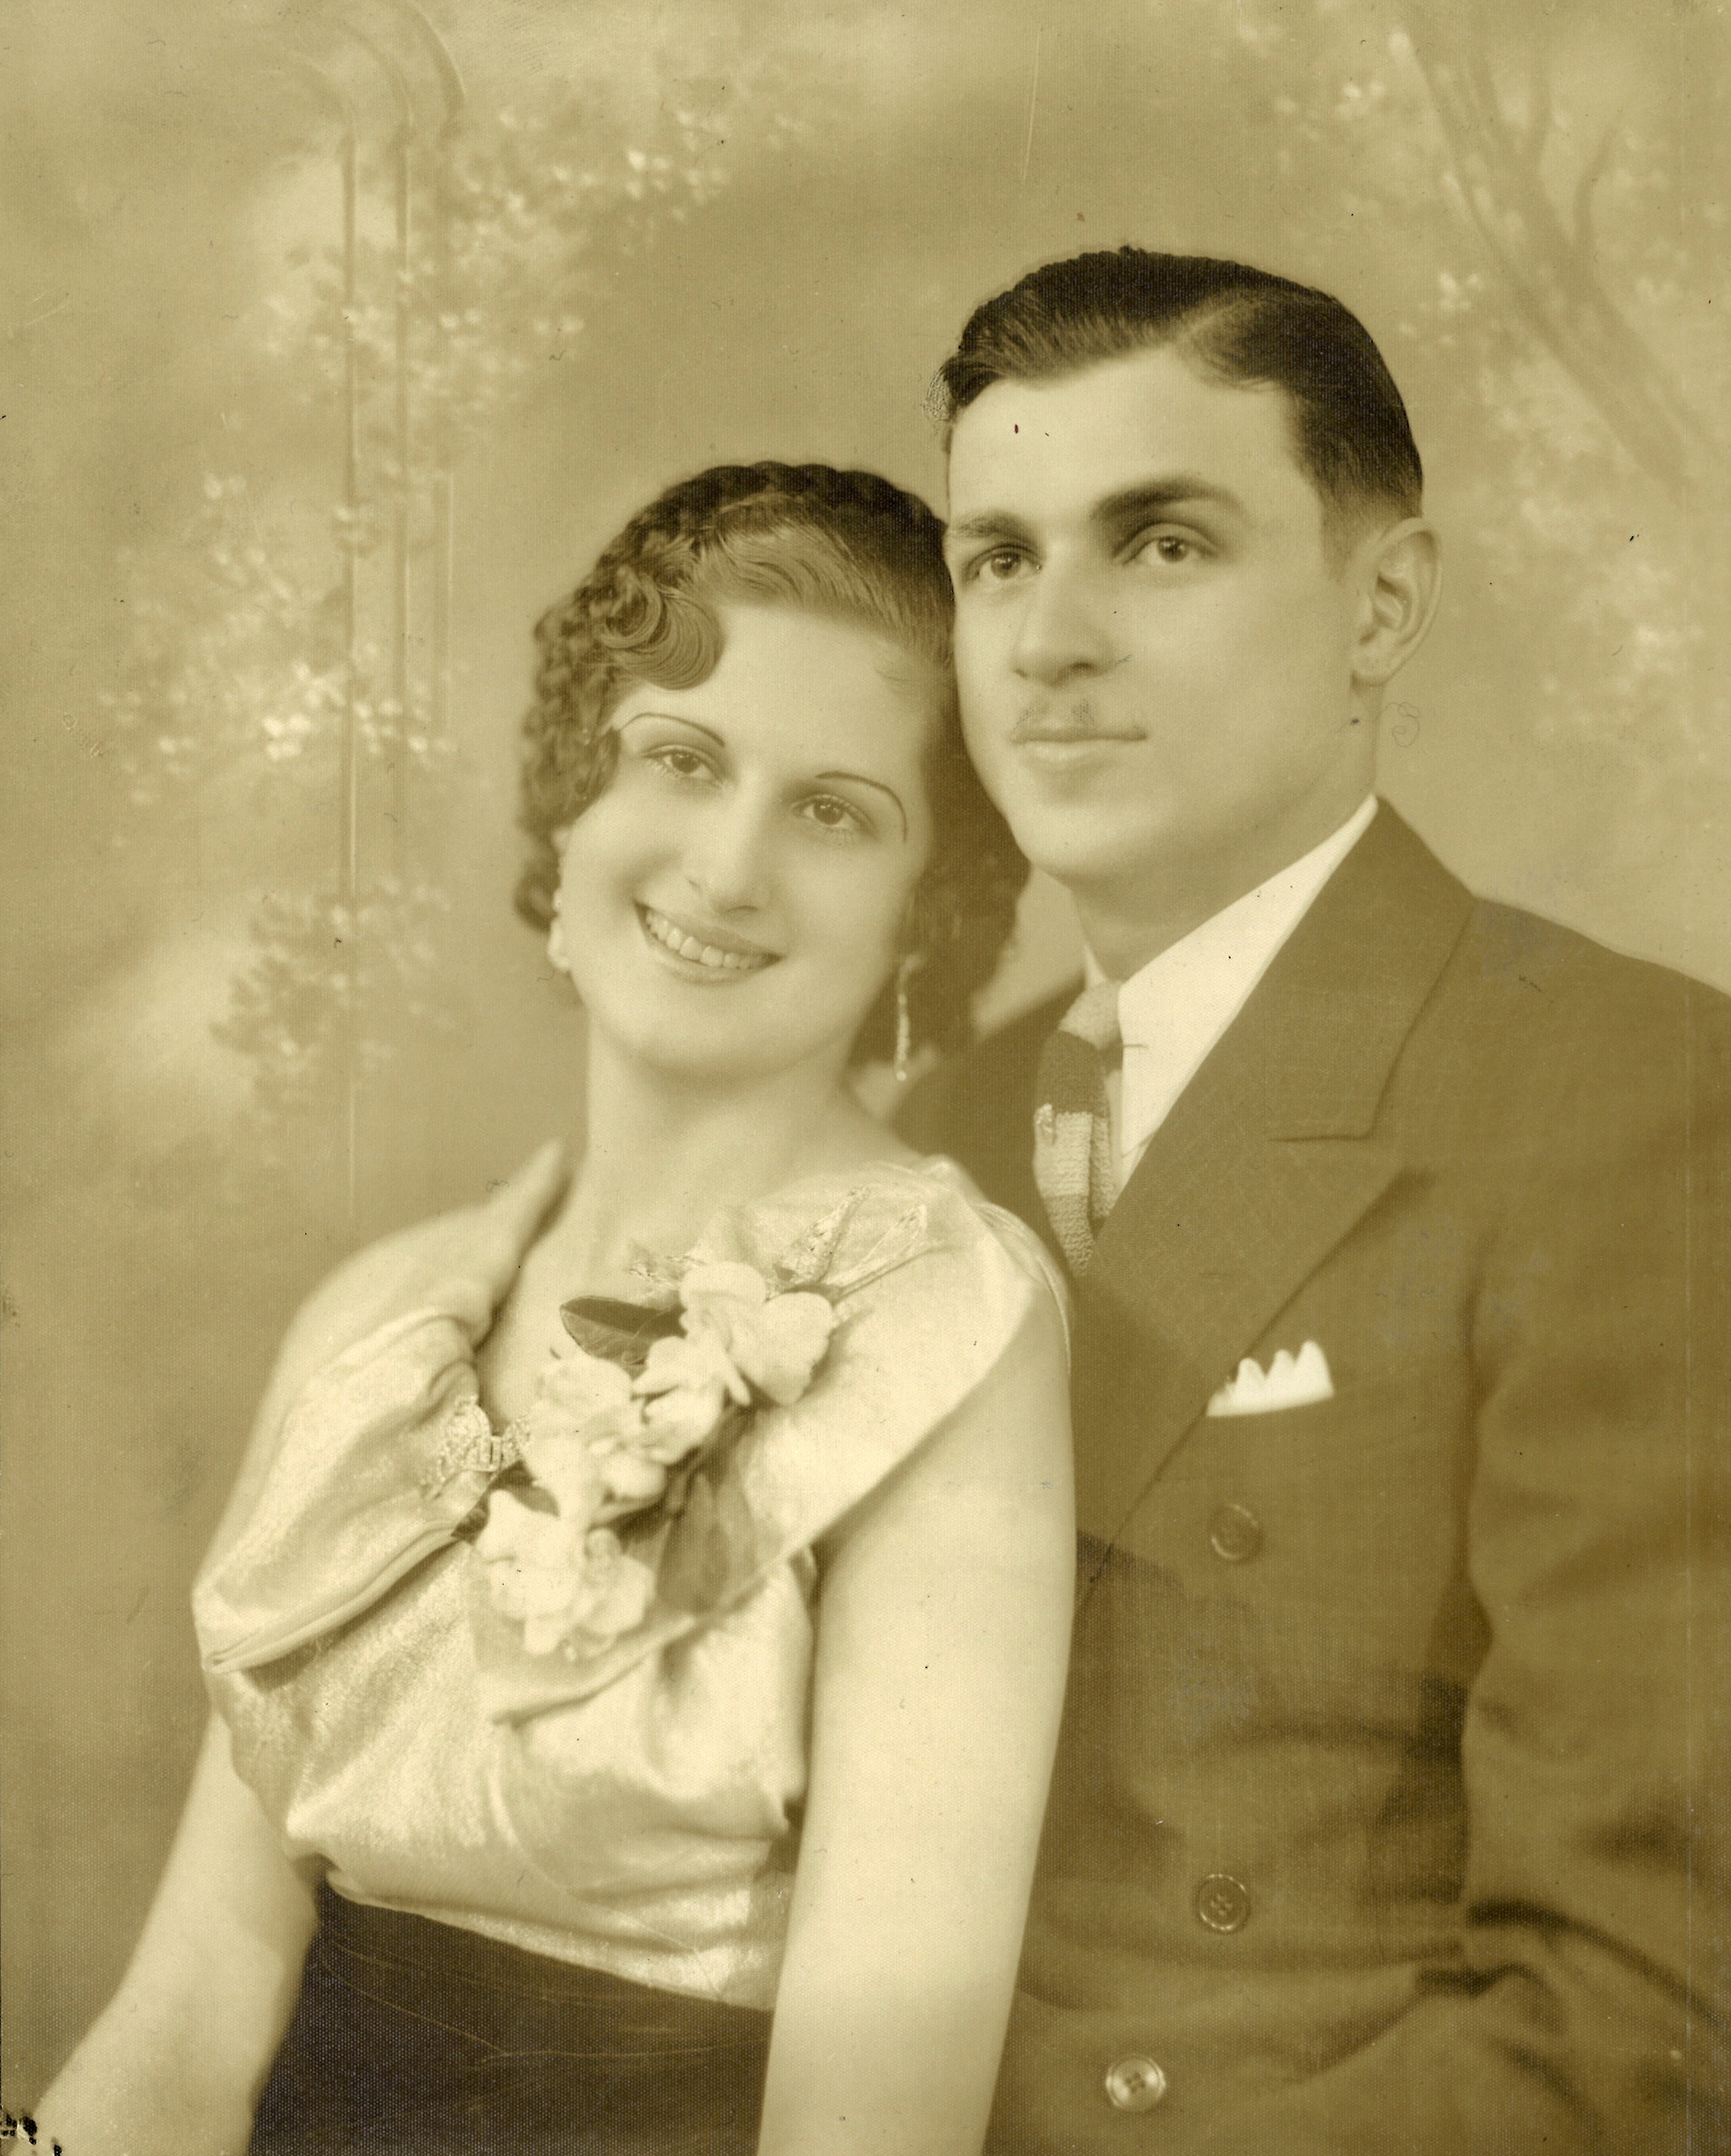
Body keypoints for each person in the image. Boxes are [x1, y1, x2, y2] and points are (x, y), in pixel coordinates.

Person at [36, 463, 1076, 2156]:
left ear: (924, 911)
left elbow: (871, 2127)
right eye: (681, 758)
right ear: (574, 802)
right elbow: (189, 2017)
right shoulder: (380, 1322)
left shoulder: (949, 1333)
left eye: (834, 812)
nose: (727, 865)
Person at [900, 249, 1731, 2152]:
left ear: (1383, 605)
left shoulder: (1628, 1097)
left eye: (1162, 545)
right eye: (998, 558)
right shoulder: (946, 1126)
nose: (1048, 642)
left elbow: (1642, 2022)